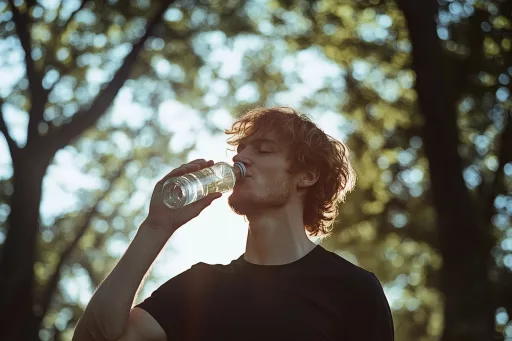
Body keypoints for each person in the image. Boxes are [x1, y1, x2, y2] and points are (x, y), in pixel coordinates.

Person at [73, 107, 395, 341]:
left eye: (264, 150)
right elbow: (96, 336)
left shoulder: (352, 289)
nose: (241, 159)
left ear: (307, 175)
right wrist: (156, 226)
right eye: (240, 150)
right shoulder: (199, 287)